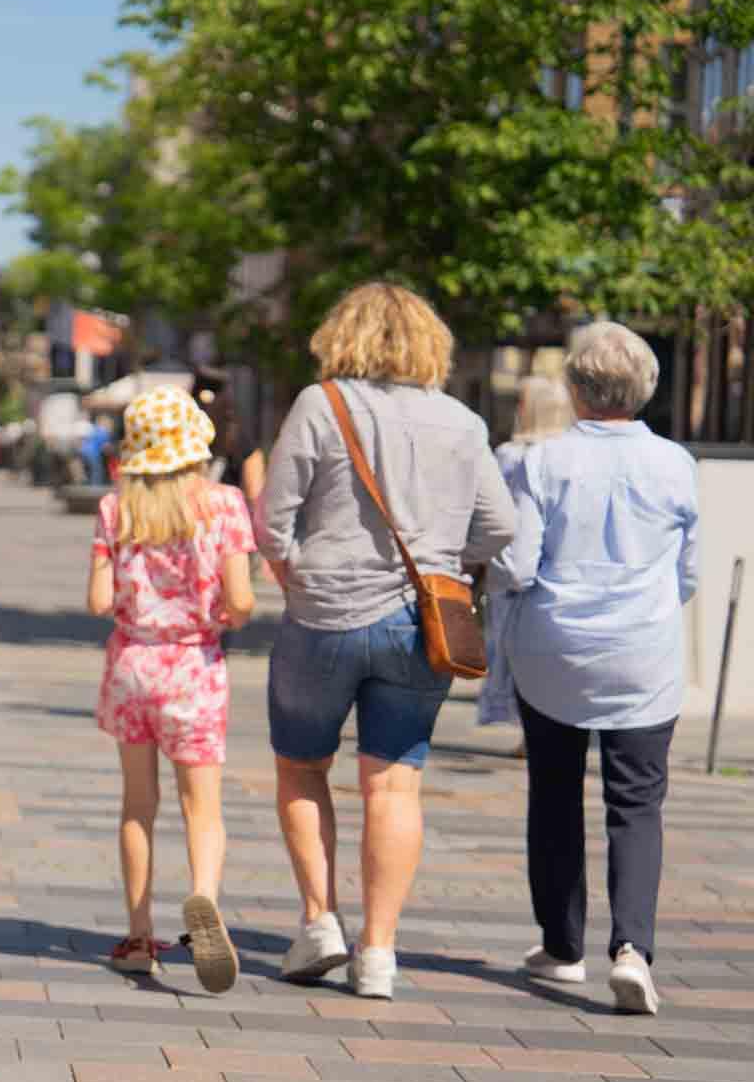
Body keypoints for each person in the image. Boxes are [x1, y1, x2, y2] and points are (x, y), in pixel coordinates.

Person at [258, 283, 514, 1000]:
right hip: (419, 626)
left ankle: (319, 921)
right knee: (395, 782)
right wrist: (442, 561)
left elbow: (272, 517)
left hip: (323, 615)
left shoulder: (322, 404)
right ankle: (379, 952)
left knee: (302, 766)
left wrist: (293, 571)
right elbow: (501, 527)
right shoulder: (463, 422)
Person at [490, 322, 698, 1016]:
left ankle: (562, 943)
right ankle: (633, 948)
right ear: (646, 389)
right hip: (644, 654)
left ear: (576, 388)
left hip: (556, 651)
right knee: (636, 803)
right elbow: (689, 573)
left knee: (553, 794)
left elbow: (518, 565)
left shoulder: (542, 463)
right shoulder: (676, 464)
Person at [88, 386, 257, 993]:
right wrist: (226, 616)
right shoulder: (225, 505)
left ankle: (137, 936)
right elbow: (239, 599)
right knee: (200, 806)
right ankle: (203, 899)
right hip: (193, 668)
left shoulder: (115, 509)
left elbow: (99, 601)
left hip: (132, 666)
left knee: (138, 806)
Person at [477, 375, 575, 749]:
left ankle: (526, 729)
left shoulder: (510, 455)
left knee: (511, 650)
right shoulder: (570, 455)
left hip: (514, 567)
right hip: (559, 565)